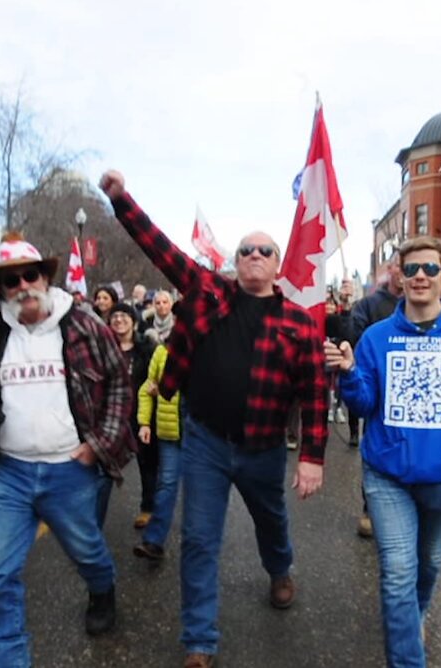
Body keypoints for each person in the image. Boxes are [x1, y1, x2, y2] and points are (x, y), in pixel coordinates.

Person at [101, 169, 326, 668]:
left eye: (264, 251)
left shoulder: (298, 323)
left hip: (264, 448)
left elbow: (314, 390)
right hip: (203, 439)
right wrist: (121, 200)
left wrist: (312, 457)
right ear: (234, 260)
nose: (254, 256)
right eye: (246, 249)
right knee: (200, 539)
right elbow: (158, 247)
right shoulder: (208, 291)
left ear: (277, 264)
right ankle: (199, 641)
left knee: (271, 521)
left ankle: (279, 567)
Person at [0, 233, 133, 667]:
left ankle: (102, 589)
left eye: (28, 275)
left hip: (69, 470)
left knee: (87, 551)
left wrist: (98, 445)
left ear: (45, 277)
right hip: (9, 474)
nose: (21, 286)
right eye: (9, 281)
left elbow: (120, 386)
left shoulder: (85, 324)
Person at [326, 236, 441, 668]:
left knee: (429, 564)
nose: (420, 276)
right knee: (398, 572)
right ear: (399, 278)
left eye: (429, 268)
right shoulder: (376, 339)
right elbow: (364, 404)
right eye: (411, 269)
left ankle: (415, 615)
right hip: (387, 477)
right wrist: (349, 374)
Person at [349, 258, 405, 538]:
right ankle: (370, 507)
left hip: (410, 393)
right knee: (376, 446)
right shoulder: (369, 305)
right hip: (377, 392)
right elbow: (355, 336)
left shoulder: (423, 303)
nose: (408, 273)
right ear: (391, 270)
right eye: (401, 266)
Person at [132, 331, 182, 562]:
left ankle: (199, 545)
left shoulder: (209, 351)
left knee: (202, 491)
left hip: (201, 437)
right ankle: (154, 541)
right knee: (167, 484)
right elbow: (146, 389)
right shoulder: (162, 352)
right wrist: (144, 422)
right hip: (169, 433)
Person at [110, 302, 158, 530]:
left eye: (124, 315)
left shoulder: (146, 348)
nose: (119, 319)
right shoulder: (104, 347)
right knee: (103, 465)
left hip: (139, 415)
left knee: (147, 463)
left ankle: (148, 508)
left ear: (134, 321)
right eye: (115, 316)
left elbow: (156, 376)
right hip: (111, 416)